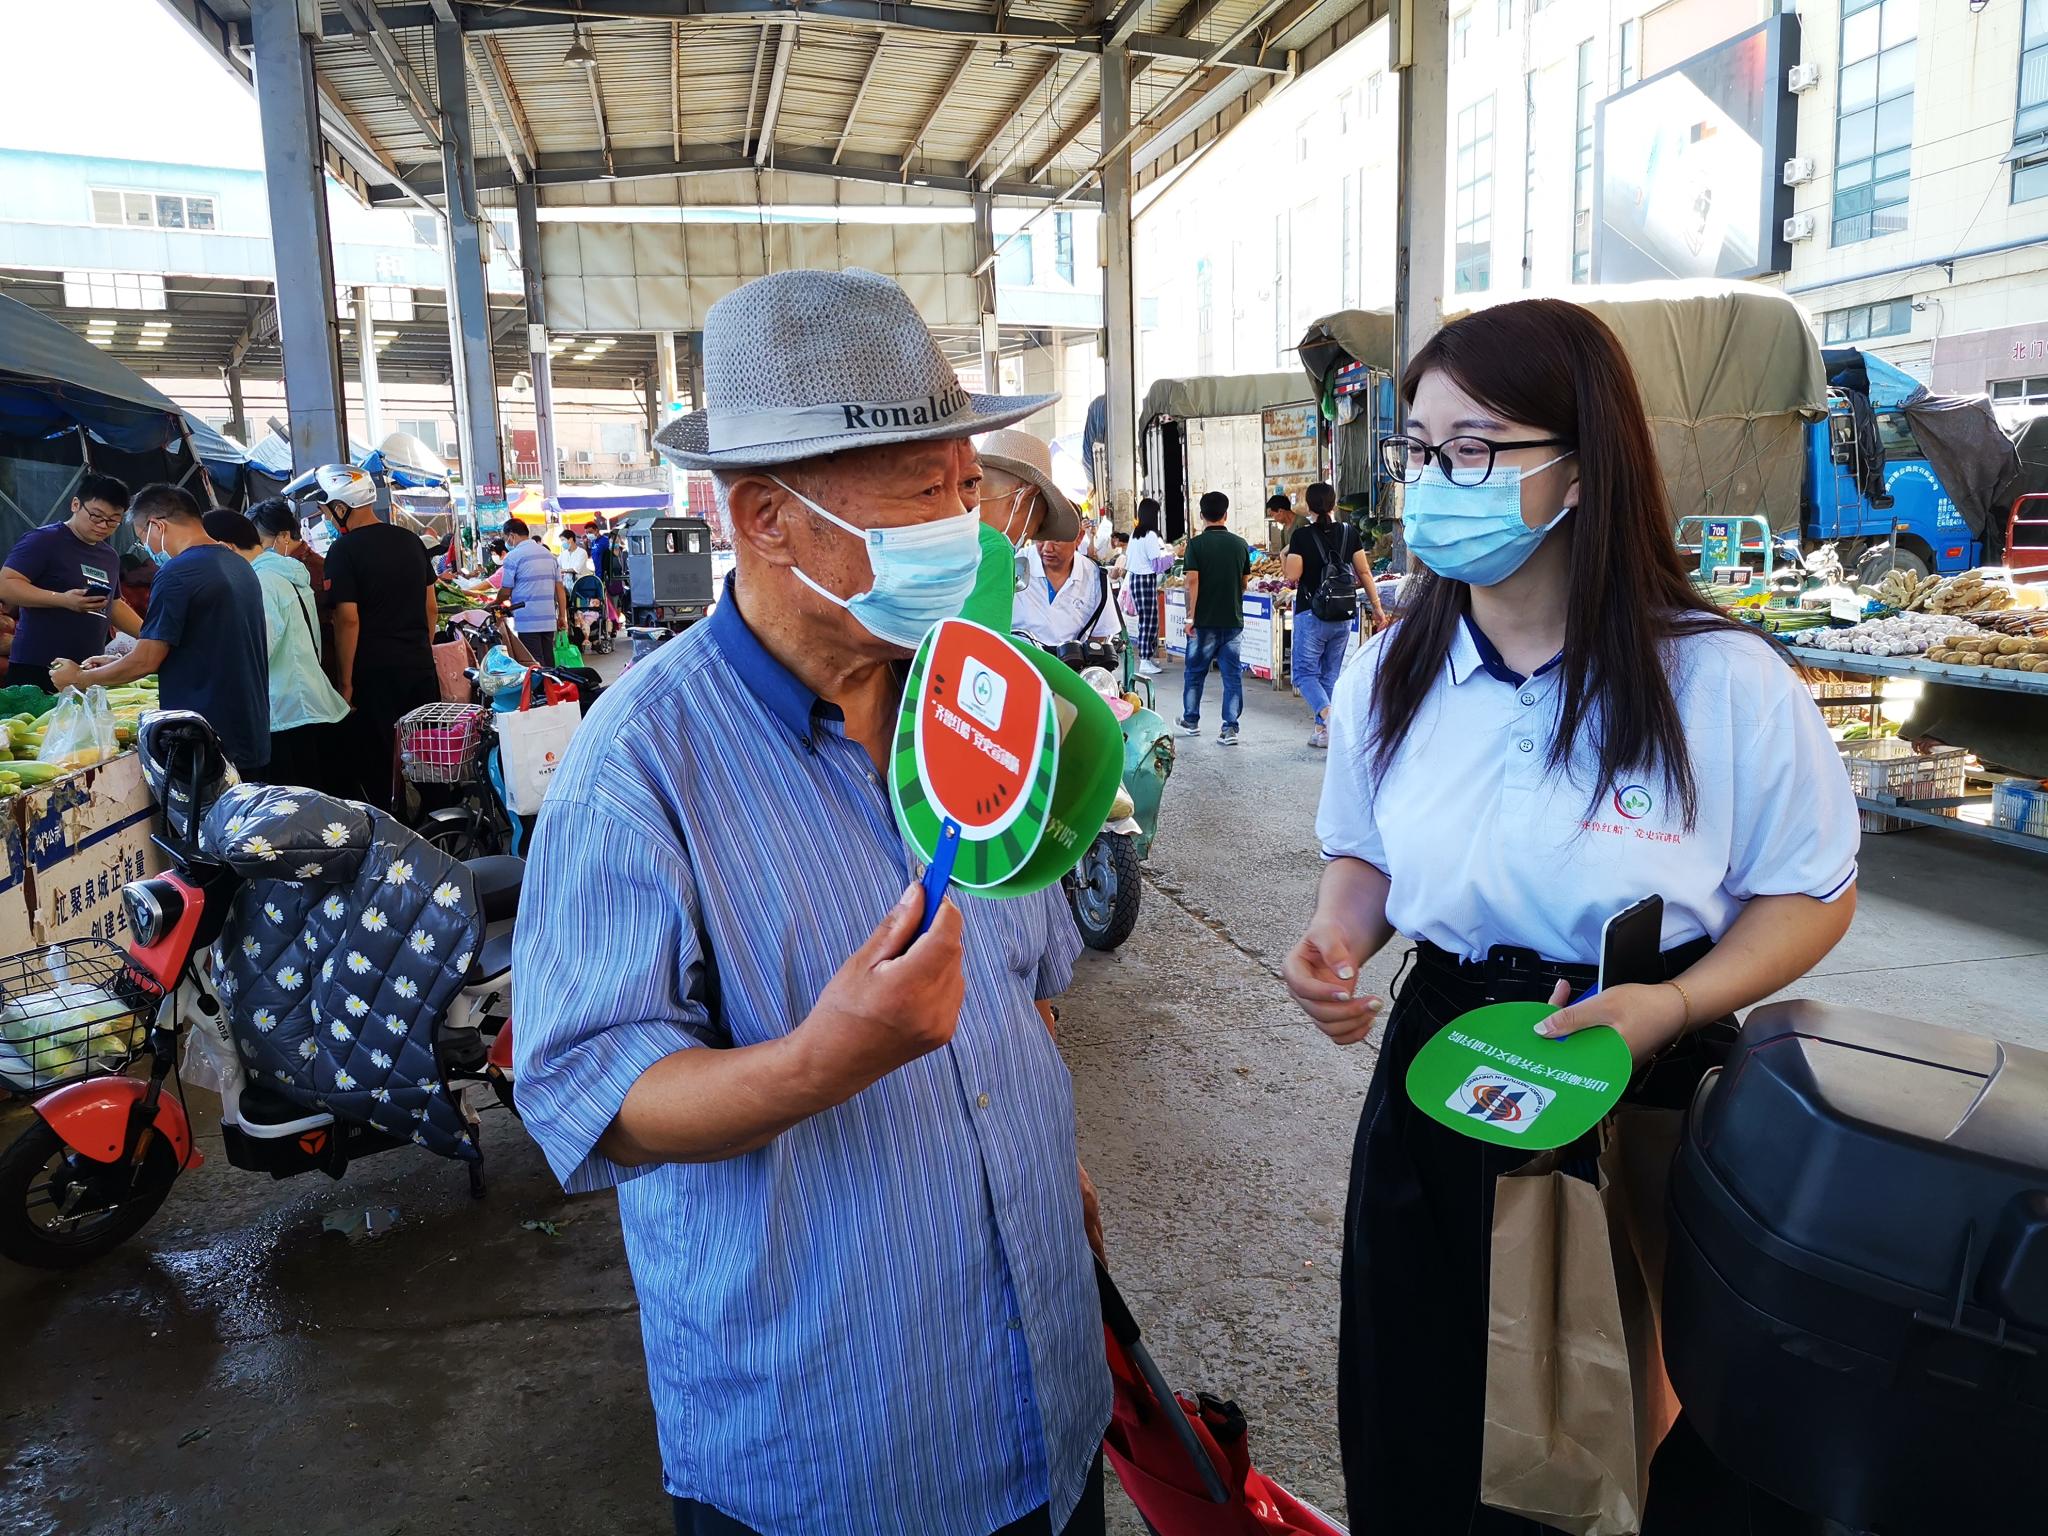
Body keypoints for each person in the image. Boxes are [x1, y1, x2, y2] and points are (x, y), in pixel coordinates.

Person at [514, 268, 1110, 1536]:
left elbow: (1026, 989)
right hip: (835, 1449)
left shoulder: (984, 703)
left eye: (967, 487)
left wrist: (1049, 1173)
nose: (964, 529)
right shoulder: (637, 768)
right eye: (918, 494)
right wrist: (822, 1061)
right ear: (765, 519)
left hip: (1048, 1398)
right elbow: (592, 1094)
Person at [1284, 298, 1860, 1534]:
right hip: (1444, 1059)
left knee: (1614, 1431)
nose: (1434, 484)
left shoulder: (1717, 680)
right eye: (1418, 451)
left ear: (1582, 467)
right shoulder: (1388, 670)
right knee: (1419, 1399)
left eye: (1474, 450)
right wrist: (1337, 940)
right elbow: (1364, 854)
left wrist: (1675, 1002)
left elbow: (1809, 890)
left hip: (1635, 1063)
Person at [52, 484, 269, 776]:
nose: (149, 549)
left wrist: (80, 678)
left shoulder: (178, 572)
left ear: (157, 526)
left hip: (204, 738)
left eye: (143, 539)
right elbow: (206, 646)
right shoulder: (238, 564)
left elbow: (146, 660)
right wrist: (118, 662)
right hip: (247, 726)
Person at [316, 463, 439, 812]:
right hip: (419, 667)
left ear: (341, 507)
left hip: (374, 674)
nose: (325, 516)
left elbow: (348, 620)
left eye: (326, 509)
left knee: (381, 763)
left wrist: (346, 683)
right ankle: (442, 822)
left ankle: (393, 830)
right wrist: (420, 648)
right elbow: (431, 607)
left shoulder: (343, 551)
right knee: (428, 756)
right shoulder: (410, 540)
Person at [205, 510, 352, 795]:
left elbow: (260, 648)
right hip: (307, 703)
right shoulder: (285, 574)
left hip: (285, 712)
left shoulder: (260, 581)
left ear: (226, 547)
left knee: (294, 805)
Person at [0, 472, 146, 692]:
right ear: (76, 504)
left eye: (113, 521)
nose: (103, 525)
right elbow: (6, 585)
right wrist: (63, 600)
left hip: (85, 669)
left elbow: (114, 605)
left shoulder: (109, 556)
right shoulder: (43, 540)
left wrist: (151, 636)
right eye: (96, 516)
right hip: (38, 665)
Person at [1284, 481, 1379, 750]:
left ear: (1308, 507)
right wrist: (1377, 607)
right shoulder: (1349, 532)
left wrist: (1285, 555)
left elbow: (1292, 576)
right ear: (1334, 504)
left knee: (1304, 675)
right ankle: (1322, 732)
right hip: (1343, 614)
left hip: (1311, 614)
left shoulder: (1301, 536)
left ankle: (1330, 718)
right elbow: (1364, 573)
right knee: (1330, 675)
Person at [1177, 490, 1251, 745]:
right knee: (1232, 676)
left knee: (1195, 673)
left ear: (1201, 515)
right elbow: (1244, 582)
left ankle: (1191, 720)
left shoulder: (1196, 545)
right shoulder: (1240, 544)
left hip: (1203, 623)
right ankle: (1230, 728)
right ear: (1226, 515)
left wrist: (1190, 617)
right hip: (1232, 621)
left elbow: (1192, 581)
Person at [250, 497, 341, 689]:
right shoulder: (295, 567)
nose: (256, 551)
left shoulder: (307, 570)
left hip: (317, 667)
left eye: (260, 543)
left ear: (284, 536)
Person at [1014, 527, 1119, 656]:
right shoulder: (1014, 564)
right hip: (1019, 659)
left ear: (1079, 537)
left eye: (1057, 540)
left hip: (1070, 663)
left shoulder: (1095, 576)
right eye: (1041, 538)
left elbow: (1101, 633)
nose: (1047, 548)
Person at [499, 517, 566, 663]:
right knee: (548, 659)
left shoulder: (513, 557)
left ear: (511, 536)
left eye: (505, 538)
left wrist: (494, 604)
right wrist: (562, 616)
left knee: (535, 663)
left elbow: (505, 591)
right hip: (548, 618)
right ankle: (551, 679)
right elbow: (559, 589)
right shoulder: (549, 555)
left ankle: (542, 679)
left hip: (527, 620)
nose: (506, 542)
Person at [1125, 500, 1167, 678]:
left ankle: (1148, 657)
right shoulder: (1149, 535)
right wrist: (1172, 556)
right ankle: (1145, 660)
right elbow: (1157, 563)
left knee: (1148, 619)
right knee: (1149, 621)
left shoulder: (1135, 534)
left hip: (1137, 578)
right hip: (1145, 578)